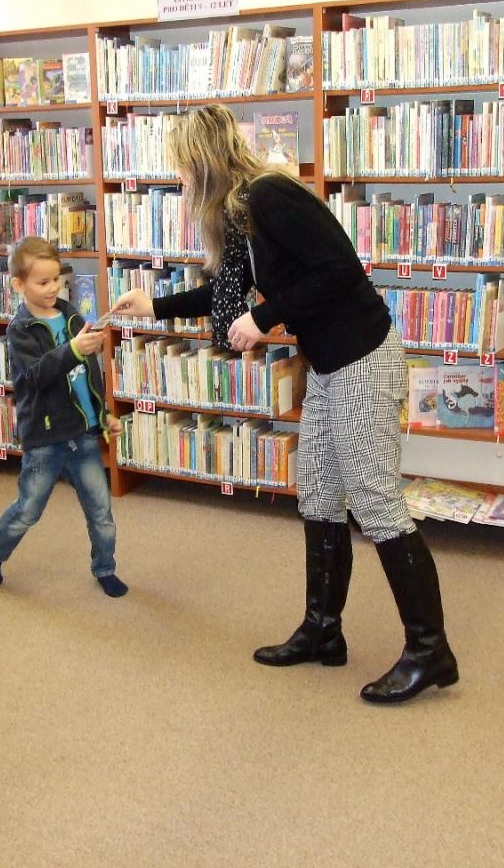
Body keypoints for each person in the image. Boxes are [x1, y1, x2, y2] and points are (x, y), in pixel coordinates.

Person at [110, 104, 457, 704]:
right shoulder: (239, 216)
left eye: (183, 168)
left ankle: (431, 651)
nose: (180, 181)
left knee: (374, 499)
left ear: (203, 162)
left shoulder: (270, 195)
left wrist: (265, 317)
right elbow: (227, 294)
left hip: (363, 356)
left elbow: (339, 270)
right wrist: (156, 307)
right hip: (327, 362)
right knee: (318, 492)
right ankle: (323, 630)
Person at [0, 237, 127, 598]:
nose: (52, 288)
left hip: (82, 435)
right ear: (18, 284)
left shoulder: (71, 313)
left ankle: (105, 568)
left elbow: (88, 375)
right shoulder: (20, 330)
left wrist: (103, 414)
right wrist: (73, 349)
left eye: (56, 279)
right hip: (45, 439)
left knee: (101, 512)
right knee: (28, 509)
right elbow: (35, 377)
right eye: (42, 282)